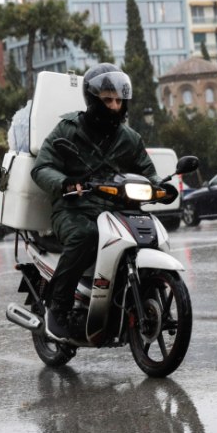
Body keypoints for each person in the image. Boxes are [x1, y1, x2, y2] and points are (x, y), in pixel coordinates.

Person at [31, 63, 158, 342]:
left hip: (117, 210)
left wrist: (160, 187)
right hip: (74, 209)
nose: (114, 106)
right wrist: (64, 182)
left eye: (118, 100)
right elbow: (42, 168)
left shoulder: (130, 138)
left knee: (145, 238)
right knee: (85, 236)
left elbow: (149, 172)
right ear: (92, 99)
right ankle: (58, 309)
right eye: (107, 100)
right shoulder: (68, 129)